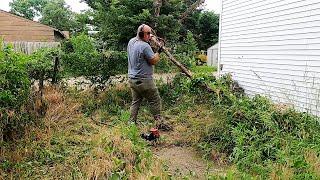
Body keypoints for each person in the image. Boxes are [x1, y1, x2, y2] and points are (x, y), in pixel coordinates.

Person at [127, 24, 171, 131]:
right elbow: (153, 60)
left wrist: (151, 43)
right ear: (141, 34)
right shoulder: (144, 46)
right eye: (148, 33)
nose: (150, 35)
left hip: (133, 79)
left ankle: (131, 123)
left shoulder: (131, 42)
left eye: (150, 33)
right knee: (155, 100)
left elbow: (142, 55)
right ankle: (159, 123)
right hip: (144, 80)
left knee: (136, 101)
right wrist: (159, 51)